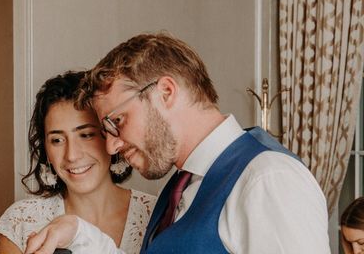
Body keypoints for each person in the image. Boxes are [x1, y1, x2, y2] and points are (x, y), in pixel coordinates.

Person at [25, 32, 330, 254]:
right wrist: (78, 233)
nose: (111, 147)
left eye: (117, 121)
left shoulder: (267, 179)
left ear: (166, 92)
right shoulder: (180, 186)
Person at [0, 71, 156, 254]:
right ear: (46, 151)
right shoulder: (21, 222)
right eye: (57, 140)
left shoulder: (159, 215)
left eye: (86, 135)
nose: (71, 155)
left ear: (110, 135)